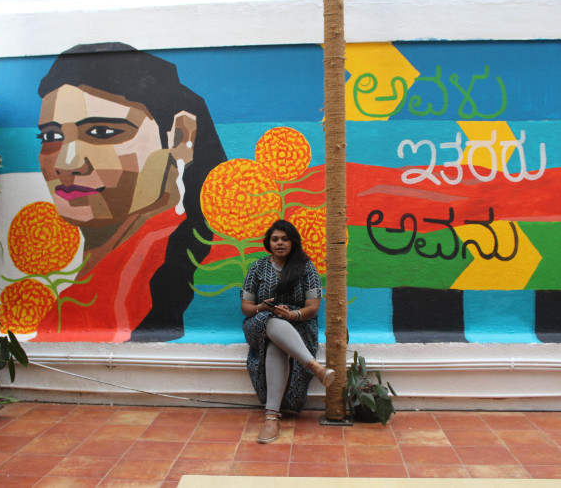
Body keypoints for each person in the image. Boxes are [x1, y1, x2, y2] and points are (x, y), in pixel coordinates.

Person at [33, 42, 226, 342]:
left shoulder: (187, 274)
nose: (66, 163)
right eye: (52, 136)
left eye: (101, 133)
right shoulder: (92, 282)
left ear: (180, 136)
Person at [240, 219, 335, 444]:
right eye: (275, 239)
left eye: (285, 239)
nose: (280, 243)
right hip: (259, 324)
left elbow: (312, 308)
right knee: (270, 320)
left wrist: (291, 315)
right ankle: (314, 366)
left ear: (293, 242)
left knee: (277, 345)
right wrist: (264, 308)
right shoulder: (257, 267)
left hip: (300, 326)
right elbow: (246, 308)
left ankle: (271, 417)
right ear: (268, 242)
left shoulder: (306, 267)